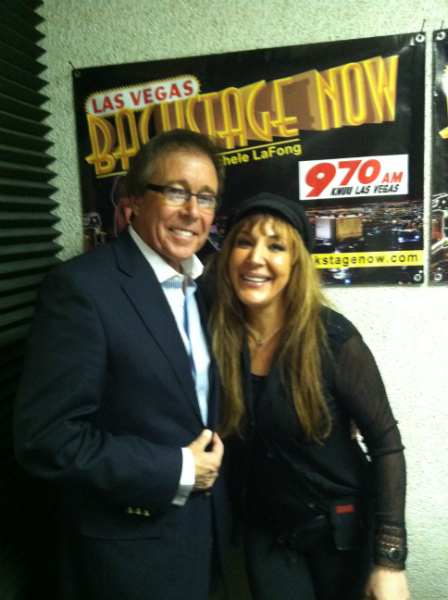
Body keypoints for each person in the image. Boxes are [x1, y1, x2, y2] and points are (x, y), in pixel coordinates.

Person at [13, 129, 228, 600]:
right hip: (128, 562)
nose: (193, 211)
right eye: (176, 192)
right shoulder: (81, 289)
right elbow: (45, 438)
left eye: (206, 197)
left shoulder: (206, 289)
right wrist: (178, 469)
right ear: (136, 200)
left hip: (204, 542)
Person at [209, 193, 410, 600]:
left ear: (297, 262)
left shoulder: (333, 339)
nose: (256, 258)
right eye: (244, 242)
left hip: (340, 533)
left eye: (276, 246)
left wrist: (389, 562)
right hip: (268, 535)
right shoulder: (215, 336)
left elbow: (386, 446)